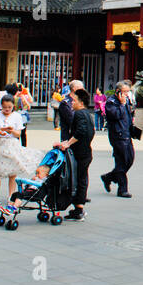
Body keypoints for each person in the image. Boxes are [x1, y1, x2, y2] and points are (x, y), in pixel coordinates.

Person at [54, 88, 94, 221]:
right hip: (86, 152)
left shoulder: (79, 114)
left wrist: (68, 144)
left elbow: (80, 132)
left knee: (79, 180)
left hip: (80, 153)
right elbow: (89, 132)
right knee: (82, 179)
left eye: (74, 100)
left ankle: (79, 210)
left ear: (81, 102)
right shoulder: (88, 114)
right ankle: (78, 208)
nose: (72, 103)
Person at [0, 93, 29, 206]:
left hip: (11, 145)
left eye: (9, 107)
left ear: (13, 107)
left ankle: (11, 195)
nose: (7, 109)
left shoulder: (17, 116)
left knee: (12, 172)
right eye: (4, 107)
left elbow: (18, 134)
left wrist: (11, 130)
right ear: (1, 105)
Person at [101, 81, 136, 198]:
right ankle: (122, 189)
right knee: (121, 161)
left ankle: (109, 177)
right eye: (125, 92)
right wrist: (121, 104)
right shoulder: (111, 102)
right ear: (118, 92)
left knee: (129, 160)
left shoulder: (125, 101)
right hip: (118, 135)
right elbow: (114, 115)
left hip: (126, 134)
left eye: (128, 91)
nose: (127, 94)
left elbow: (128, 115)